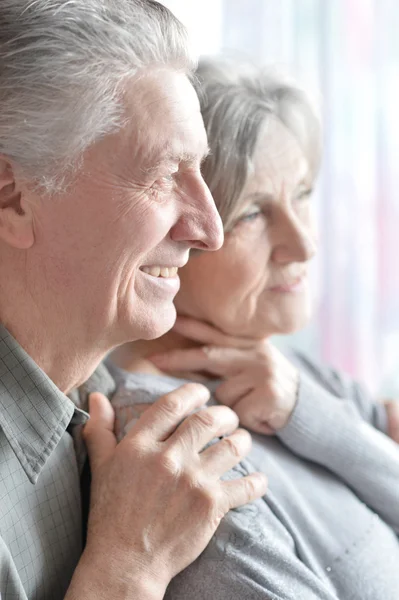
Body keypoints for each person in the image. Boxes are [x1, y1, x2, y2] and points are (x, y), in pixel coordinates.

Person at [0, 6, 268, 599]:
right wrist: (129, 571)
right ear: (13, 198)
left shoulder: (98, 386)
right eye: (164, 174)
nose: (210, 230)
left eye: (199, 170)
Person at [109, 59, 399, 600]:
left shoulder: (275, 368)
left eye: (304, 194)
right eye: (252, 214)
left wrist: (311, 413)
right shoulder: (186, 456)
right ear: (176, 238)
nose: (305, 245)